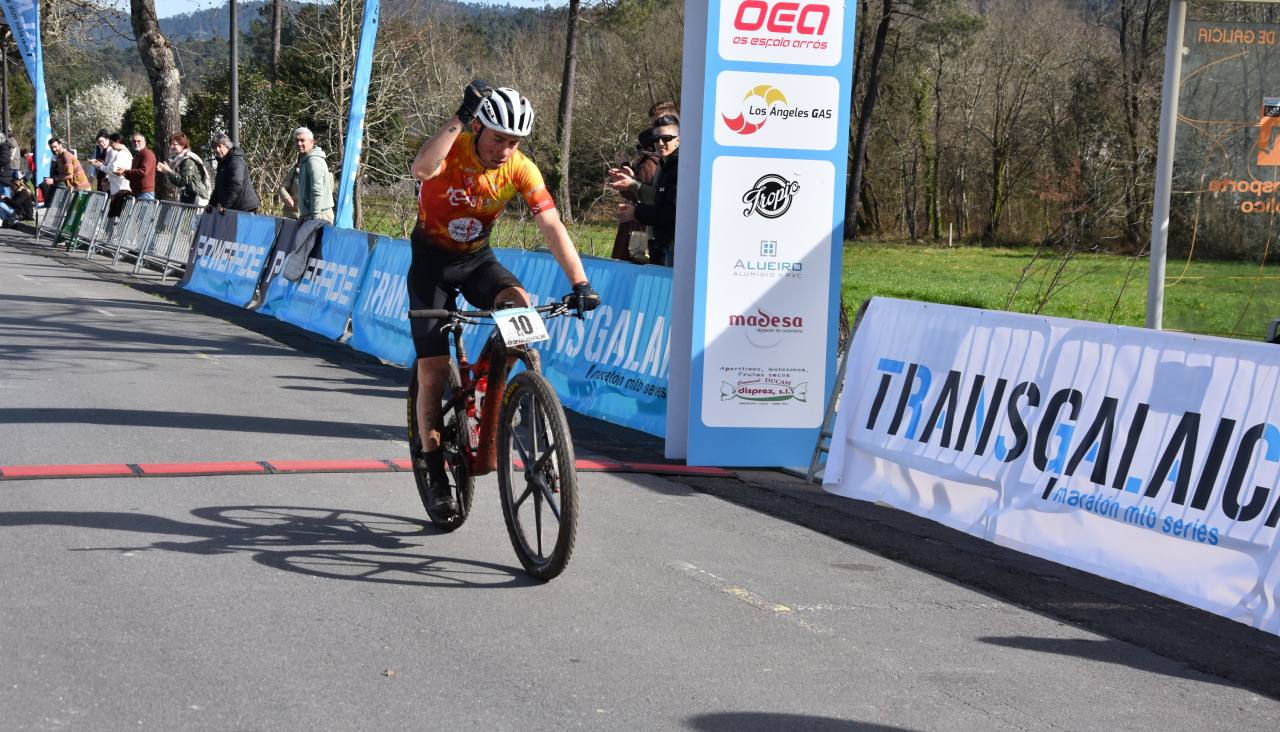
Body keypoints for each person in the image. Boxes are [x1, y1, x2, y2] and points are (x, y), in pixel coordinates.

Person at [407, 80, 600, 517]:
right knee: (432, 371)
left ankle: (530, 412)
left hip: (477, 261)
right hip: (431, 267)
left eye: (514, 142)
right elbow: (421, 169)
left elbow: (551, 224)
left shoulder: (520, 168)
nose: (505, 150)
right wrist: (460, 115)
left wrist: (580, 282)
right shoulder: (454, 148)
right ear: (478, 127)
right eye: (498, 139)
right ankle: (436, 474)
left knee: (519, 304)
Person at [610, 115, 679, 266]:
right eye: (656, 139)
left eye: (666, 138)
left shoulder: (678, 168)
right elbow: (657, 196)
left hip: (669, 244)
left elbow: (670, 211)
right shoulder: (665, 163)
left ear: (678, 140)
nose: (660, 143)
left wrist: (636, 212)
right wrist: (633, 180)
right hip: (661, 240)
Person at [609, 128, 659, 263]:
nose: (638, 151)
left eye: (639, 148)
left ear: (648, 149)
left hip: (637, 225)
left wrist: (624, 166)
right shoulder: (658, 163)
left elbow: (632, 193)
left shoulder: (647, 165)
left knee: (630, 263)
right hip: (643, 221)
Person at [206, 133, 260, 213]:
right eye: (214, 147)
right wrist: (211, 204)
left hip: (244, 208)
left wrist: (225, 206)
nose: (217, 149)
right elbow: (218, 188)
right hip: (234, 207)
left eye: (219, 146)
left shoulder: (236, 161)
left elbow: (236, 186)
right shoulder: (222, 163)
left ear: (227, 146)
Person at [290, 127, 334, 223]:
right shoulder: (305, 160)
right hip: (311, 215)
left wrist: (314, 217)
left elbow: (317, 191)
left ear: (312, 142)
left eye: (302, 140)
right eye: (296, 140)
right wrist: (303, 215)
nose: (299, 143)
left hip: (319, 215)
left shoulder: (313, 161)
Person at [155, 133, 211, 206]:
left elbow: (183, 180)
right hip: (188, 197)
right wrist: (167, 172)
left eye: (174, 144)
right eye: (170, 144)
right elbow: (179, 182)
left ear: (182, 144)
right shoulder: (180, 160)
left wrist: (169, 172)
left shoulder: (188, 159)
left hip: (197, 197)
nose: (171, 147)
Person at [88, 133, 133, 217]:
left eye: (111, 143)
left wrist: (100, 166)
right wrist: (102, 165)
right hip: (117, 187)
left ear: (117, 142)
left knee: (117, 214)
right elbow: (111, 167)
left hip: (120, 188)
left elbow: (113, 169)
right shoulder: (122, 152)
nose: (110, 146)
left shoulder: (122, 153)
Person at [40, 137, 92, 205]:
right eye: (51, 147)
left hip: (81, 189)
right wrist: (51, 178)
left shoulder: (66, 156)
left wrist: (54, 180)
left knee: (75, 211)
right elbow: (63, 174)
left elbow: (69, 175)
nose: (54, 149)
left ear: (60, 145)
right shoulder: (59, 157)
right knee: (69, 210)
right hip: (74, 189)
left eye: (55, 147)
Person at [118, 133, 156, 200]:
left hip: (145, 193)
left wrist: (125, 171)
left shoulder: (148, 154)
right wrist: (124, 174)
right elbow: (135, 174)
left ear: (144, 143)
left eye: (139, 141)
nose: (136, 143)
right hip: (137, 192)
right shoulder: (137, 155)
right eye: (134, 141)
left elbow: (143, 172)